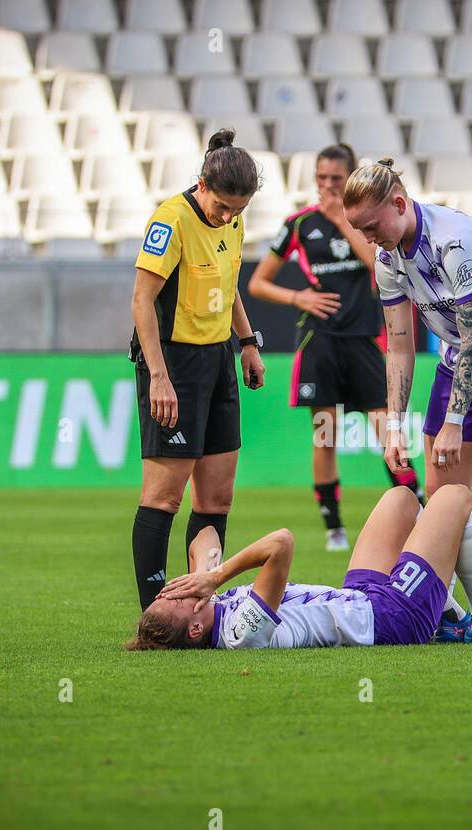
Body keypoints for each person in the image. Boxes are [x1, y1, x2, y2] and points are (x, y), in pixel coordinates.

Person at [342, 159, 472, 645]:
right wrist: (394, 426)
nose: (370, 238)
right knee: (442, 501)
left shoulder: (453, 243)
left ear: (399, 204)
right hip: (456, 358)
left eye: (373, 226)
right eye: (360, 230)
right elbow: (399, 346)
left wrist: (455, 421)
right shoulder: (387, 260)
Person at [248, 143, 423, 552]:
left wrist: (340, 220)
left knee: (388, 428)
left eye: (336, 179)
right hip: (319, 340)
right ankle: (334, 528)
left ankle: (418, 507)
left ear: (350, 180)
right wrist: (299, 298)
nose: (327, 186)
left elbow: (376, 265)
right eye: (322, 178)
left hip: (362, 337)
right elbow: (257, 282)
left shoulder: (366, 222)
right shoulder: (298, 225)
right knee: (324, 434)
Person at [129, 129, 267, 611]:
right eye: (222, 207)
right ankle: (155, 615)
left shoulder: (232, 221)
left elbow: (227, 288)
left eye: (239, 211)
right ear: (203, 184)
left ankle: (196, 606)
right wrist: (159, 376)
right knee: (165, 498)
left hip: (218, 360)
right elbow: (142, 301)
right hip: (174, 363)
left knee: (216, 498)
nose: (228, 217)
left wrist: (247, 342)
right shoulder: (171, 220)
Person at [127, 484, 472, 651]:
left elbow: (204, 536)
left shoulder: (211, 606)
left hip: (360, 599)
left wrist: (206, 569)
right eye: (174, 601)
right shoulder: (241, 633)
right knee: (452, 496)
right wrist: (216, 576)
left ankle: (448, 617)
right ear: (194, 630)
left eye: (165, 593)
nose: (178, 593)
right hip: (390, 621)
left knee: (399, 499)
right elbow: (281, 543)